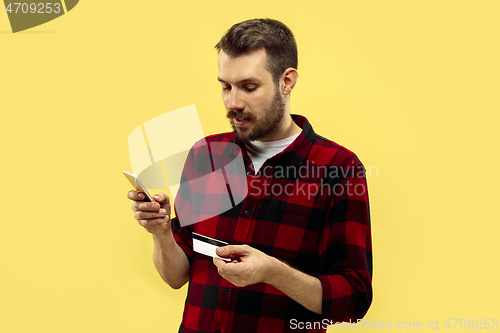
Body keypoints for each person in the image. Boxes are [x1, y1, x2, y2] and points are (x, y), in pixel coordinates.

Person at [127, 18, 372, 333]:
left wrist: (273, 272)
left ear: (287, 81)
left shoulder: (339, 168)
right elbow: (177, 276)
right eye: (226, 87)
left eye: (248, 87)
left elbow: (355, 301)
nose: (233, 103)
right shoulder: (205, 155)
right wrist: (161, 233)